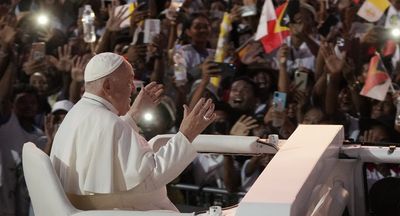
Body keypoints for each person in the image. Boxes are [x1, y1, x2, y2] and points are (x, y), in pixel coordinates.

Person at [50, 52, 216, 211]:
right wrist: (186, 135)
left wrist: (133, 115)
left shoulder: (78, 112)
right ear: (108, 86)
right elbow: (150, 177)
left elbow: (107, 143)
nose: (132, 89)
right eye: (129, 82)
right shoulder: (108, 121)